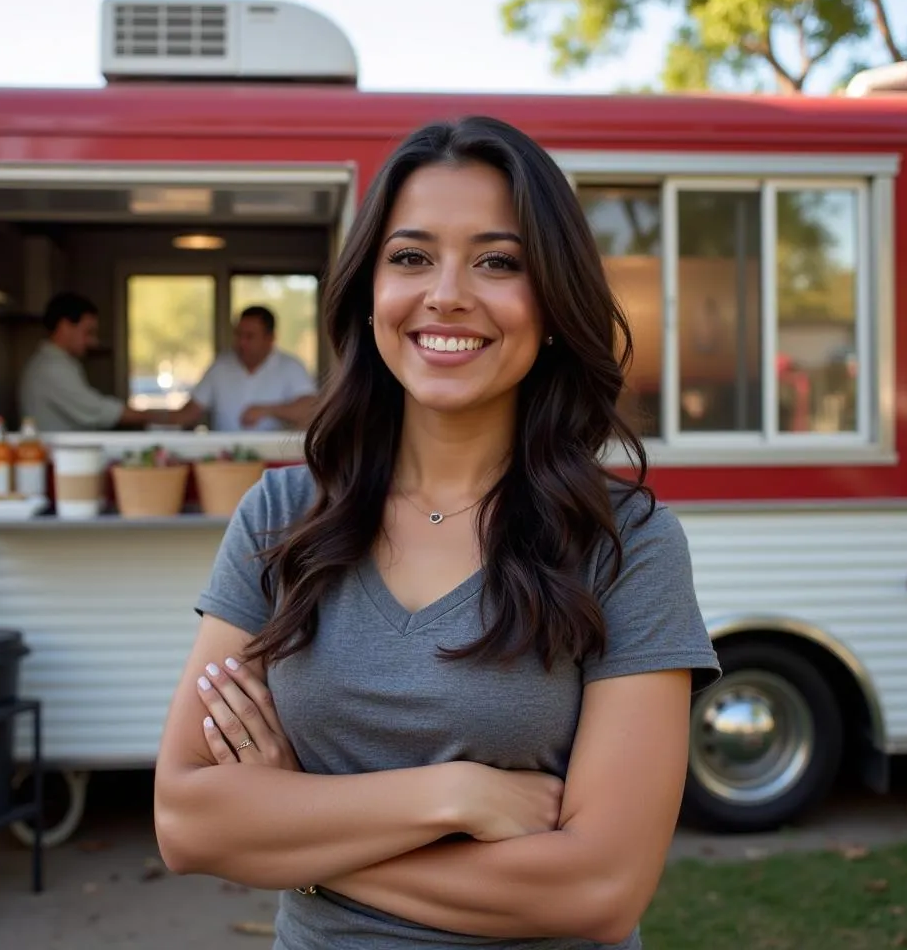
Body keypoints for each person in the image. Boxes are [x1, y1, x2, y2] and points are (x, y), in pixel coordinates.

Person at [154, 117, 722, 949]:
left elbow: (599, 888)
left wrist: (296, 841)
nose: (447, 293)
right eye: (411, 257)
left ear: (555, 302)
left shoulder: (625, 543)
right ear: (369, 292)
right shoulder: (281, 518)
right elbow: (185, 820)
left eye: (498, 261)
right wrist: (453, 794)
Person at [19, 292, 164, 432]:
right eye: (88, 332)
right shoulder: (51, 368)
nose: (93, 342)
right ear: (65, 327)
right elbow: (98, 410)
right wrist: (166, 416)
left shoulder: (60, 364)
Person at [171, 306, 318, 432]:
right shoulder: (220, 366)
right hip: (224, 459)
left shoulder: (291, 367)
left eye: (250, 336)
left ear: (270, 338)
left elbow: (311, 410)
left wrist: (267, 410)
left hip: (274, 457)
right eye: (238, 335)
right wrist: (149, 415)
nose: (242, 342)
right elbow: (189, 413)